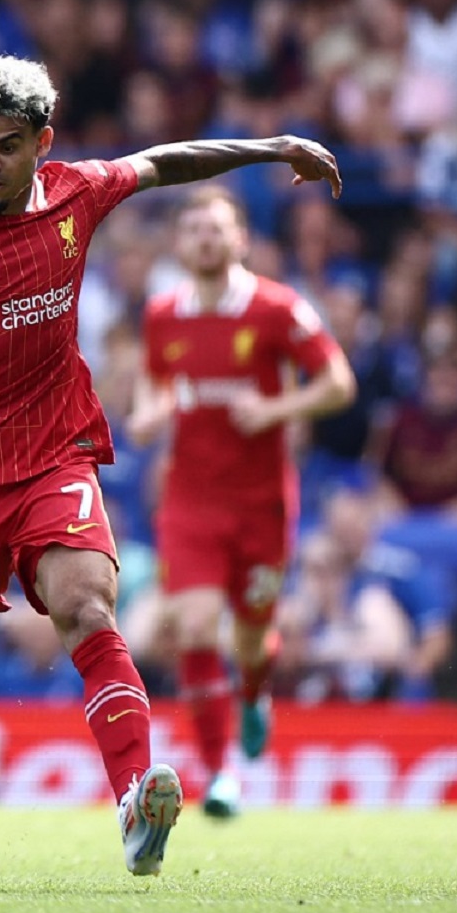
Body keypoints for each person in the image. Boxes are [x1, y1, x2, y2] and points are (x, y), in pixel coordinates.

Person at [0, 54, 340, 876]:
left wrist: (273, 147)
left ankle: (134, 801)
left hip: (55, 454)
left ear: (42, 143)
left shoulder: (75, 194)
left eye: (7, 146)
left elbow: (166, 162)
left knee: (88, 608)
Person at [128, 187, 355, 818]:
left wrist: (277, 409)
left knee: (252, 643)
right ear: (178, 244)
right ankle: (218, 772)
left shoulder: (278, 308)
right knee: (197, 627)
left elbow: (339, 383)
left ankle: (255, 694)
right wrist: (148, 410)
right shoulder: (163, 312)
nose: (204, 239)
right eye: (193, 229)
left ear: (241, 239)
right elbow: (154, 377)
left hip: (261, 505)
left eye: (216, 229)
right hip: (190, 501)